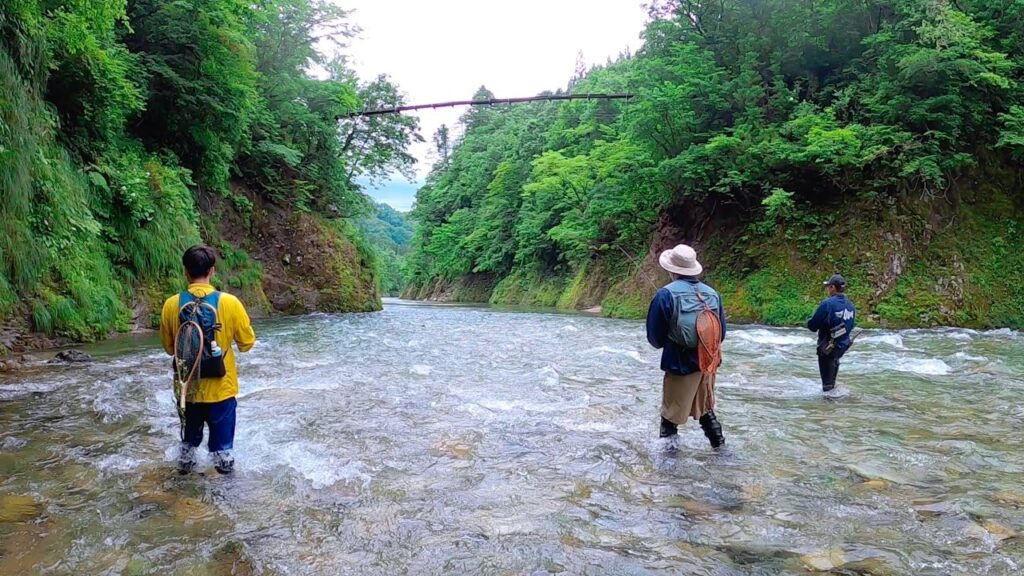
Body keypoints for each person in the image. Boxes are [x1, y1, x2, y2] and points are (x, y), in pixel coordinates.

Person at [161, 245, 256, 474]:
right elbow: (247, 344)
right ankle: (225, 499)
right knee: (223, 453)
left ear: (185, 271)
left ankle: (182, 490)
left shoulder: (171, 305)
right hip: (221, 389)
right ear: (212, 271)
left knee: (188, 449)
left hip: (187, 388)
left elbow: (168, 348)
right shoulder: (230, 303)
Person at [646, 244, 727, 448]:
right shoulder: (712, 294)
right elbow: (722, 334)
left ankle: (669, 468)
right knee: (706, 410)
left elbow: (654, 339)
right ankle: (721, 451)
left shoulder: (665, 295)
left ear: (672, 270)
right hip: (708, 362)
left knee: (670, 417)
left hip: (679, 363)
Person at [807, 274, 856, 392]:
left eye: (829, 286)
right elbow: (851, 325)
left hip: (827, 349)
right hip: (841, 348)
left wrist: (808, 320)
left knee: (827, 388)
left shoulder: (827, 304)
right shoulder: (851, 305)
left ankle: (827, 409)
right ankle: (834, 408)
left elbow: (812, 326)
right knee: (831, 384)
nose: (828, 289)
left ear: (833, 287)